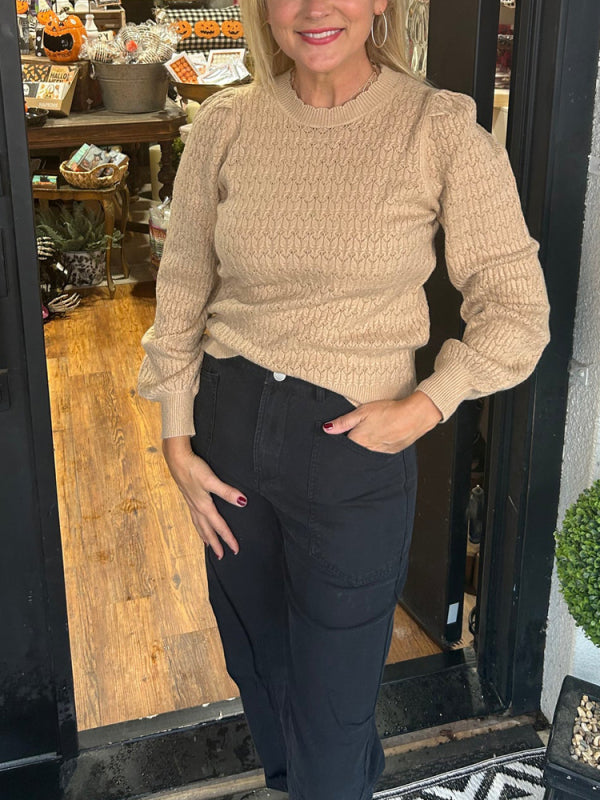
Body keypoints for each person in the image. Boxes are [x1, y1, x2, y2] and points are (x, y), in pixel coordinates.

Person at [137, 0, 550, 795]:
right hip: (228, 436)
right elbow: (184, 282)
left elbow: (516, 308)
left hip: (352, 452)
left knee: (334, 704)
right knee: (260, 665)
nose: (315, 9)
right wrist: (176, 436)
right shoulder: (227, 123)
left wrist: (429, 404)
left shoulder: (436, 128)